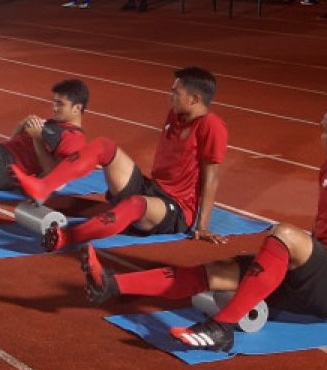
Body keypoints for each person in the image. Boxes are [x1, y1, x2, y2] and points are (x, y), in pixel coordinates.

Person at [79, 99, 327, 353]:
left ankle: (221, 328)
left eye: (324, 131)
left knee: (282, 232)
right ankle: (111, 285)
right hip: (316, 272)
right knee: (217, 270)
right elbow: (325, 230)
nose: (321, 137)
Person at [14, 67, 228, 249]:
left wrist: (202, 226)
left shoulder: (211, 125)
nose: (170, 95)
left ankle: (67, 238)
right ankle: (45, 185)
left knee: (135, 204)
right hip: (152, 188)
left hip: (176, 208)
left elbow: (212, 178)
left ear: (195, 99)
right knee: (105, 145)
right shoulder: (176, 113)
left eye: (176, 92)